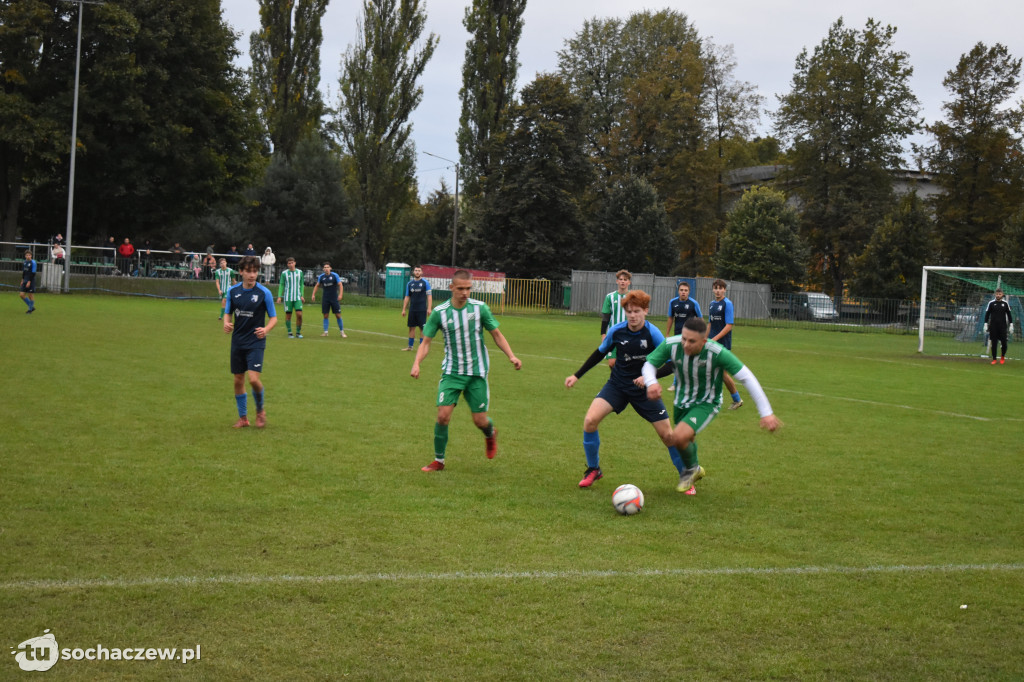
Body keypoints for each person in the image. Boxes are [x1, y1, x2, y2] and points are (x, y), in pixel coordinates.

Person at [642, 316, 782, 493]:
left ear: (704, 340)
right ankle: (696, 469)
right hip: (681, 402)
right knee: (684, 441)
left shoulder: (717, 352)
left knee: (678, 436)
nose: (685, 344)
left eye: (692, 341)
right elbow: (649, 364)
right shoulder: (672, 344)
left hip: (707, 403)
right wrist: (651, 382)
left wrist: (766, 412)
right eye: (684, 338)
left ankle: (691, 470)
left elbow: (747, 377)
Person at [565, 289, 682, 489]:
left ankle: (686, 475)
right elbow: (599, 353)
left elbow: (672, 363)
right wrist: (576, 375)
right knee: (590, 420)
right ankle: (594, 469)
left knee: (668, 435)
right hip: (617, 385)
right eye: (629, 311)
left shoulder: (652, 333)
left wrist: (648, 378)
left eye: (637, 311)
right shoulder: (617, 331)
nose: (632, 315)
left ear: (646, 311)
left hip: (644, 390)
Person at [411, 269, 522, 471]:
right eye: (460, 288)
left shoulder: (480, 309)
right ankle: (439, 461)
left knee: (479, 420)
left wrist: (511, 355)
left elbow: (496, 334)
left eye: (468, 289)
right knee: (443, 416)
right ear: (451, 287)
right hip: (452, 372)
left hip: (476, 373)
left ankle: (490, 434)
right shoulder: (440, 312)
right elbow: (426, 342)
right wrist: (417, 363)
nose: (464, 292)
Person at [223, 256, 277, 428]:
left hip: (256, 341)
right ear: (241, 272)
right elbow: (228, 312)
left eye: (255, 271)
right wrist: (226, 322)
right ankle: (243, 418)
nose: (253, 275)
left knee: (253, 379)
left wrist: (266, 329)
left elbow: (274, 318)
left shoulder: (264, 293)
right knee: (238, 379)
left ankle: (260, 411)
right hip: (238, 341)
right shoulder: (233, 292)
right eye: (249, 271)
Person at [707, 278, 743, 409]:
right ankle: (733, 399)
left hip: (722, 343)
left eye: (720, 288)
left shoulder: (727, 304)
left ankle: (735, 399)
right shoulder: (712, 304)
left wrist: (714, 339)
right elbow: (710, 323)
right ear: (713, 289)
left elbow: (729, 326)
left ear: (724, 290)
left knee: (720, 372)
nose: (718, 291)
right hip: (711, 342)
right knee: (715, 371)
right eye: (716, 288)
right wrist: (704, 339)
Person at [665, 280, 702, 393]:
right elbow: (671, 318)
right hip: (677, 336)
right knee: (678, 358)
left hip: (690, 337)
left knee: (685, 359)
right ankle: (678, 383)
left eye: (685, 290)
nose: (683, 292)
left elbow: (700, 319)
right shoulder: (673, 302)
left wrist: (699, 335)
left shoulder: (693, 304)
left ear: (689, 292)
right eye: (681, 290)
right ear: (678, 291)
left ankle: (679, 383)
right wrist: (667, 333)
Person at [600, 269, 632, 368]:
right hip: (613, 334)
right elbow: (606, 317)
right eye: (620, 279)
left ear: (629, 282)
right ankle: (616, 381)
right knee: (612, 363)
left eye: (625, 279)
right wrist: (603, 334)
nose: (622, 281)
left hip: (629, 334)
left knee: (626, 362)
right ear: (617, 281)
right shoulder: (610, 297)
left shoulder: (633, 297)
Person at [401, 265, 432, 350]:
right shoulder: (410, 283)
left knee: (422, 328)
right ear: (413, 272)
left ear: (421, 272)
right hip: (412, 309)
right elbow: (407, 297)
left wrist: (429, 308)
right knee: (411, 327)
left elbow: (429, 296)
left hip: (422, 309)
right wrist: (404, 309)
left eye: (419, 270)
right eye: (416, 270)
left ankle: (421, 347)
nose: (417, 272)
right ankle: (410, 346)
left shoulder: (425, 283)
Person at [311, 262, 346, 338]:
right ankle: (326, 332)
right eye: (325, 267)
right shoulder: (321, 277)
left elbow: (340, 285)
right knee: (325, 315)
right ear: (323, 269)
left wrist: (340, 295)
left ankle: (342, 332)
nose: (326, 269)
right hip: (325, 298)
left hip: (334, 298)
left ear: (330, 268)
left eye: (327, 267)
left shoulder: (334, 276)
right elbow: (317, 285)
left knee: (338, 315)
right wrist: (313, 294)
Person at [984, 288, 1014, 365]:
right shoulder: (991, 303)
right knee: (994, 343)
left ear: (1002, 294)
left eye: (999, 294)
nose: (998, 295)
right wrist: (985, 323)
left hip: (1003, 326)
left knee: (1004, 343)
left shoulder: (1005, 303)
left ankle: (1002, 356)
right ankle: (994, 359)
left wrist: (1011, 324)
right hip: (993, 326)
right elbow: (987, 314)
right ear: (995, 294)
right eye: (997, 294)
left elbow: (1009, 314)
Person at [276, 257, 305, 338]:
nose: (291, 264)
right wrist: (279, 296)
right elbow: (281, 285)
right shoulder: (284, 273)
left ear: (295, 263)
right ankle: (289, 332)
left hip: (298, 297)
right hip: (288, 297)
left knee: (299, 314)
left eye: (292, 263)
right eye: (289, 263)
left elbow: (302, 284)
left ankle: (298, 332)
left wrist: (302, 295)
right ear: (287, 264)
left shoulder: (300, 272)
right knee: (288, 315)